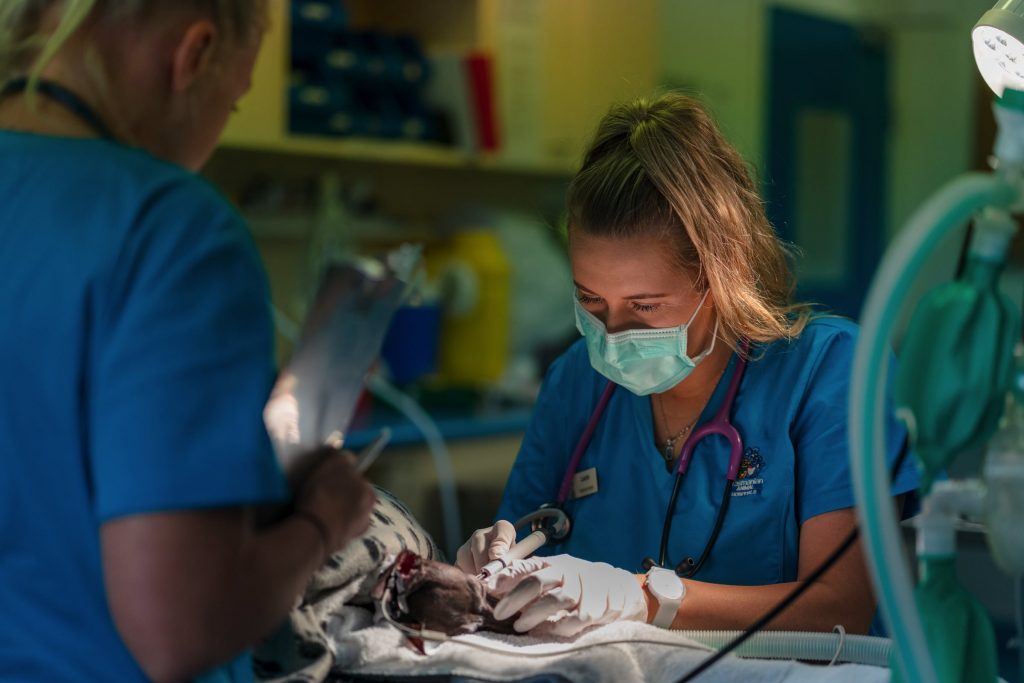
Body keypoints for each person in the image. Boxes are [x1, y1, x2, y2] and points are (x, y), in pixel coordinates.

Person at [0, 2, 374, 682]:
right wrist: (324, 519)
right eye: (229, 110)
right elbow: (178, 627)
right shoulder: (168, 229)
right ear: (193, 55)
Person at [457, 93, 918, 637]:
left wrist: (644, 599)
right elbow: (522, 548)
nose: (613, 334)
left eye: (645, 306)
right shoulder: (576, 382)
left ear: (722, 275)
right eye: (591, 301)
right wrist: (496, 567)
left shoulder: (834, 374)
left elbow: (840, 611)